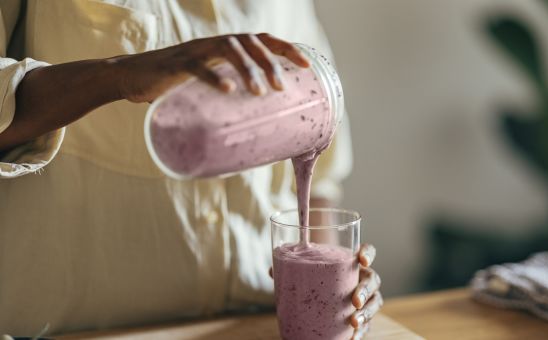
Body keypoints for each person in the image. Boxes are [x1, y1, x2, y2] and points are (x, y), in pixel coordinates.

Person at [0, 0, 382, 337]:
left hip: (253, 325)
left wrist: (334, 291)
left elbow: (321, 168)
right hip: (78, 331)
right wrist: (120, 73)